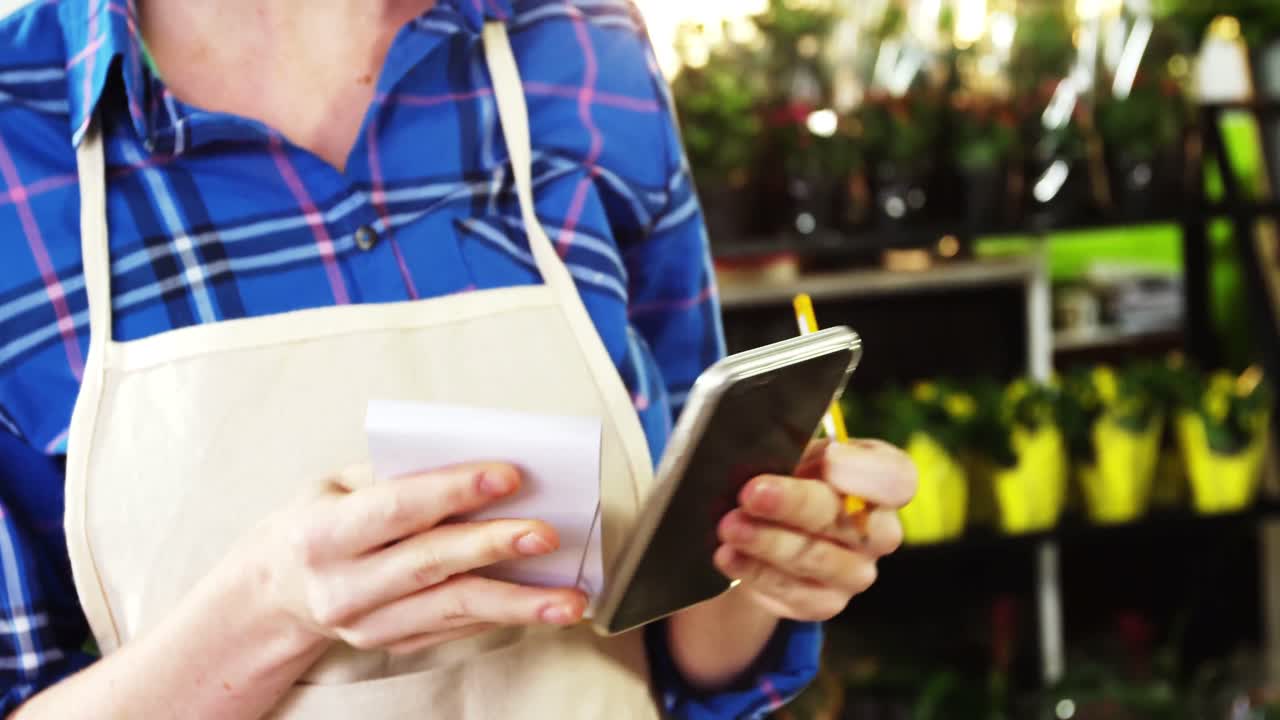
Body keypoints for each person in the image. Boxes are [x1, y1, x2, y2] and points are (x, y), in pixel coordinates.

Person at [0, 0, 917, 717]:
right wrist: (271, 607)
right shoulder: (18, 133)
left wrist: (766, 560)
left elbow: (683, 639)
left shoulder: (586, 52)